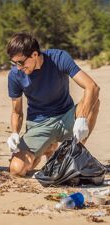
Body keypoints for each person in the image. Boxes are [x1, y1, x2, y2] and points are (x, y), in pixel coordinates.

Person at [6, 33, 100, 177]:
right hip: (39, 124)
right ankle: (48, 147)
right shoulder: (15, 75)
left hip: (67, 116)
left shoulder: (59, 58)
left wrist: (81, 118)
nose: (18, 67)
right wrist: (14, 132)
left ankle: (75, 153)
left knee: (94, 101)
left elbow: (92, 87)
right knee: (17, 170)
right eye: (14, 63)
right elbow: (17, 112)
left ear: (34, 54)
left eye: (20, 62)